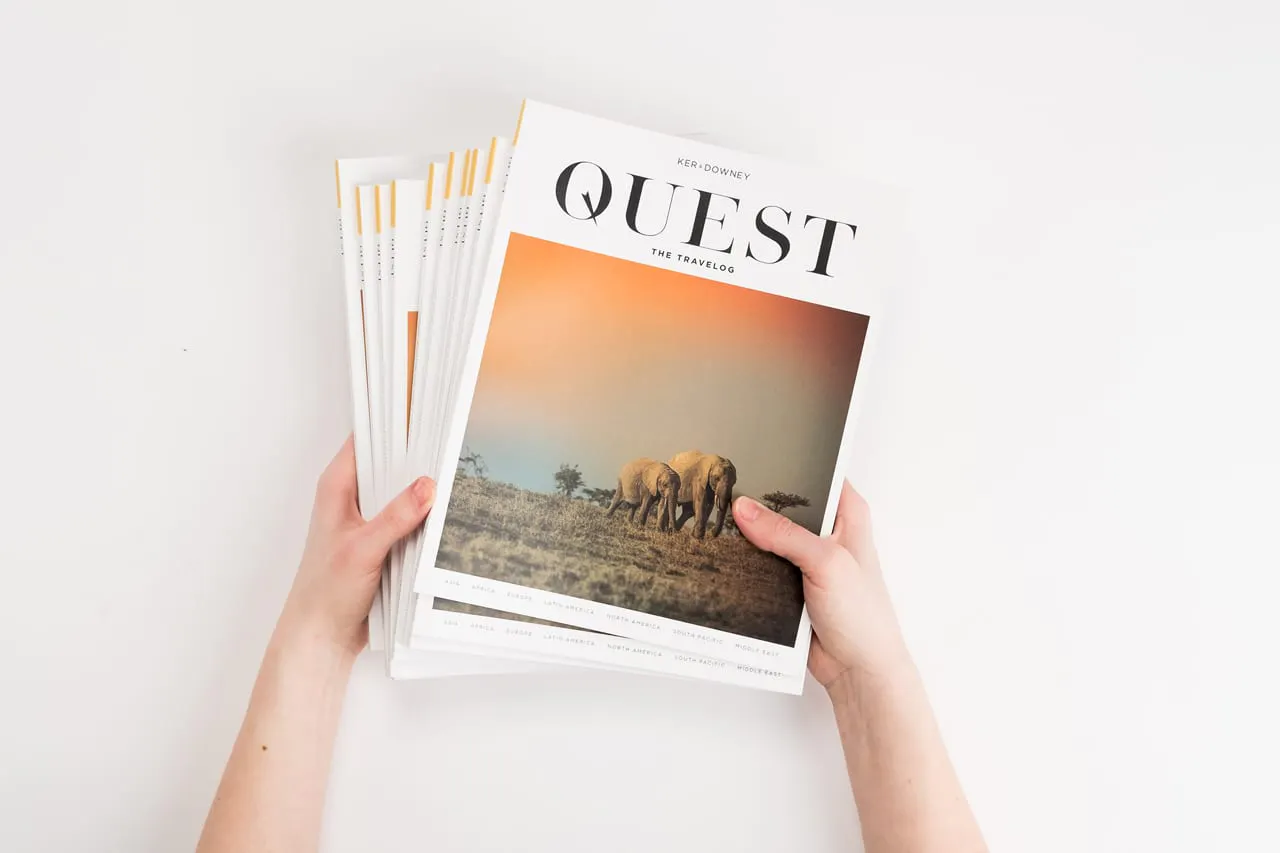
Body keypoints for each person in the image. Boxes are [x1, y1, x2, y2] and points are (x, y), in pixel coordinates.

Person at [197, 438, 987, 853]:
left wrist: (315, 632)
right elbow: (668, 503)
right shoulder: (663, 477)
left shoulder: (685, 475)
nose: (699, 490)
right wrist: (870, 676)